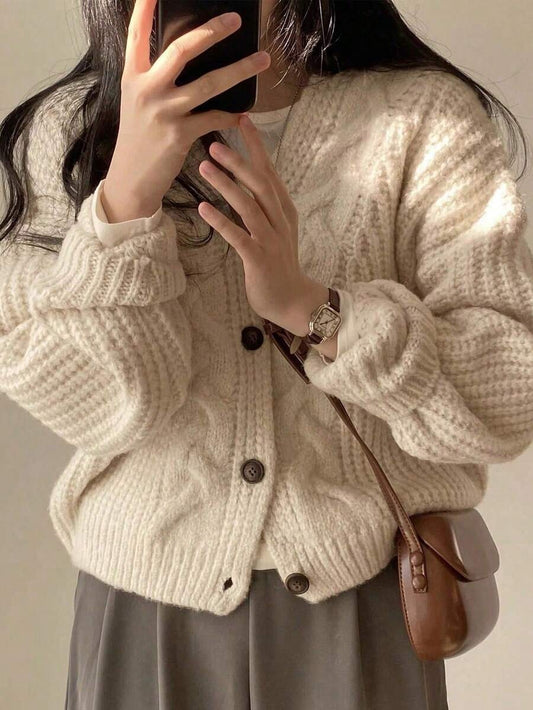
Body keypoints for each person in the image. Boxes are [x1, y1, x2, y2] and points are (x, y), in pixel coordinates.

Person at [1, 1, 532, 708]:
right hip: (143, 616)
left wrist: (317, 311)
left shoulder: (423, 117)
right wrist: (124, 202)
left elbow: (506, 396)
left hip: (360, 605)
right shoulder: (68, 133)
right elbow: (100, 408)